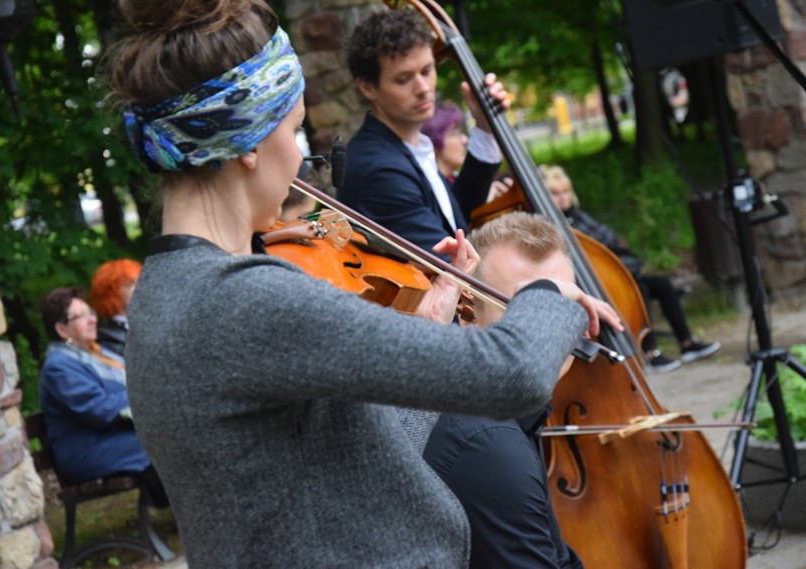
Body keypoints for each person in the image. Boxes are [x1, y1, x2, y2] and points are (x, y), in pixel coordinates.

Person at [109, 1, 620, 566]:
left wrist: (424, 329)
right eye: (296, 129)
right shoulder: (242, 299)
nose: (302, 157)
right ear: (249, 144)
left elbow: (318, 453)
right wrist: (546, 295)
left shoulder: (166, 290)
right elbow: (513, 374)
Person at [423, 212, 587, 569]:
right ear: (467, 314)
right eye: (525, 306)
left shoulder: (507, 413)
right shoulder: (490, 443)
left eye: (561, 301)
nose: (548, 322)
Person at [339, 10, 508, 256]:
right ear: (367, 87)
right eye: (403, 79)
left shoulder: (406, 145)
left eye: (427, 71)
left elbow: (455, 216)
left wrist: (484, 127)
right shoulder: (379, 170)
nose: (423, 88)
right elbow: (449, 266)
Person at [540, 164, 720, 372]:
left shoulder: (578, 216)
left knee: (662, 284)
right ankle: (648, 352)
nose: (563, 197)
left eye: (565, 191)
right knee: (639, 288)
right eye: (555, 193)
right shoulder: (555, 225)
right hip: (592, 282)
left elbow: (607, 240)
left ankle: (687, 343)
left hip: (612, 271)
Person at [38, 286, 168, 507]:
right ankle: (191, 510)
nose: (92, 320)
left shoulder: (99, 354)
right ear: (62, 330)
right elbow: (99, 409)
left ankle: (190, 508)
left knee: (174, 433)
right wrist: (146, 397)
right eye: (81, 316)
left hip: (111, 438)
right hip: (88, 450)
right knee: (165, 440)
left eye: (91, 313)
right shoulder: (58, 366)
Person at [421, 101, 511, 203]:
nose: (465, 140)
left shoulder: (456, 180)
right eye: (455, 133)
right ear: (432, 141)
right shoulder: (427, 193)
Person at [90, 258, 142, 356]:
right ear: (111, 293)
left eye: (139, 282)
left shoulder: (148, 325)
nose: (138, 288)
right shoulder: (104, 338)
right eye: (129, 285)